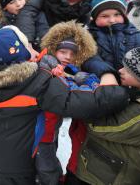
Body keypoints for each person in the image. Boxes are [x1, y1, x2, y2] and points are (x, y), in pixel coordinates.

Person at [0, 26, 129, 185]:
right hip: (15, 163)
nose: (32, 47)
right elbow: (83, 102)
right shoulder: (38, 82)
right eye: (27, 45)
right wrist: (117, 91)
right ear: (21, 52)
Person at [64, 0, 140, 183]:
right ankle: (77, 173)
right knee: (84, 141)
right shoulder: (87, 37)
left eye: (116, 15)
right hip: (100, 95)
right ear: (94, 17)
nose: (112, 20)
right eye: (104, 16)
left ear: (124, 15)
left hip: (132, 98)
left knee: (119, 145)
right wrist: (107, 73)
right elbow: (88, 57)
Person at [75, 46, 140, 185]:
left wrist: (102, 95)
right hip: (109, 170)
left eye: (129, 71)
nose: (120, 71)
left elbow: (97, 125)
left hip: (111, 177)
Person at [35, 21, 101, 185]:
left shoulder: (70, 70)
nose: (67, 57)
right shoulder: (46, 67)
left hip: (51, 129)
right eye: (63, 51)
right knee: (46, 165)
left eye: (72, 54)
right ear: (54, 50)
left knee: (48, 157)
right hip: (42, 131)